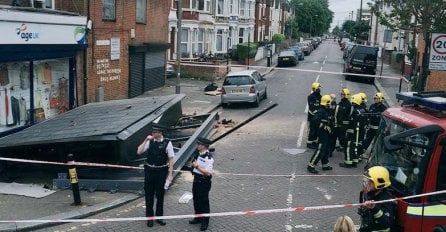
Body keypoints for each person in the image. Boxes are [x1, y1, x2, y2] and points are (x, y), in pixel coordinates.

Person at [137, 123, 174, 227]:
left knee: (160, 195)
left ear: (160, 133)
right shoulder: (150, 142)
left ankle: (159, 217)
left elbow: (171, 159)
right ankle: (150, 218)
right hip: (149, 172)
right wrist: (145, 140)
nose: (152, 133)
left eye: (155, 132)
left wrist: (170, 175)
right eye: (152, 132)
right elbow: (139, 151)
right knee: (149, 195)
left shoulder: (167, 143)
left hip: (161, 172)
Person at [358, 166, 396, 231]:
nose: (366, 183)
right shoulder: (371, 193)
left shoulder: (386, 200)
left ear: (378, 183)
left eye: (369, 181)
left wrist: (374, 208)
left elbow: (387, 222)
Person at [189, 137, 214, 231]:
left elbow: (208, 173)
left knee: (204, 201)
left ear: (203, 146)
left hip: (204, 182)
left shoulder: (209, 158)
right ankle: (198, 217)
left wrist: (197, 166)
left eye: (199, 144)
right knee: (196, 200)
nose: (197, 146)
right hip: (196, 180)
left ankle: (205, 221)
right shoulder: (197, 154)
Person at [307, 95, 333, 174]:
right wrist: (323, 126)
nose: (331, 105)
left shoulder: (327, 111)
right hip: (322, 134)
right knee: (320, 150)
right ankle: (311, 165)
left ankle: (325, 165)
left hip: (328, 134)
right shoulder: (321, 112)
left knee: (326, 149)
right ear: (326, 104)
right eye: (329, 104)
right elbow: (314, 122)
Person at [340, 94, 367, 168]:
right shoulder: (363, 110)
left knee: (348, 146)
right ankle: (355, 162)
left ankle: (348, 163)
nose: (352, 104)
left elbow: (352, 123)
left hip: (353, 133)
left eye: (353, 102)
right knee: (356, 147)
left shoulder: (356, 111)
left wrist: (348, 133)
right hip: (360, 133)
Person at [307, 82, 322, 149]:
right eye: (318, 88)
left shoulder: (321, 97)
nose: (320, 89)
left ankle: (315, 142)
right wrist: (316, 114)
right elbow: (312, 107)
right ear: (315, 89)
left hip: (318, 117)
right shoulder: (310, 97)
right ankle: (309, 143)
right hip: (312, 117)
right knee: (312, 130)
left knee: (317, 130)